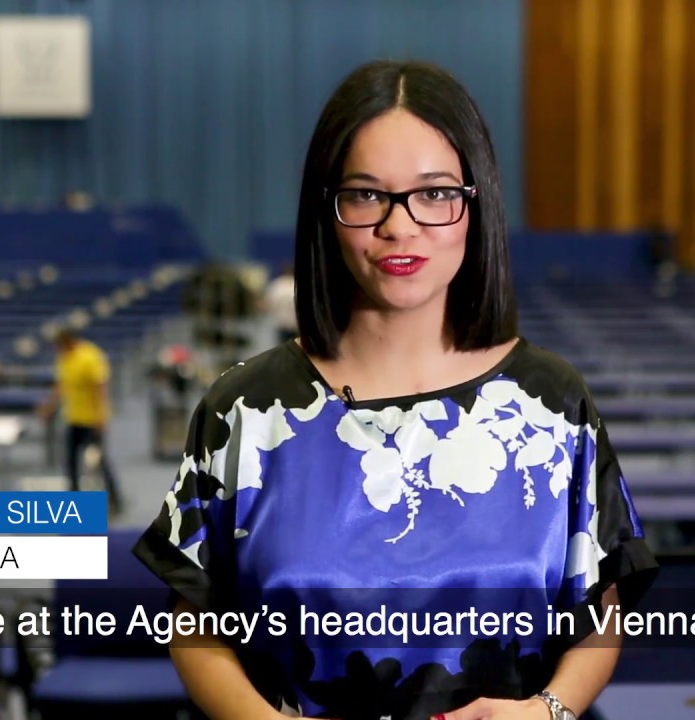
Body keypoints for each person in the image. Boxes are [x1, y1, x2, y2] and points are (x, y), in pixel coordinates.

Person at [132, 60, 657, 720]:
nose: (399, 227)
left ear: (477, 203)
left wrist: (546, 709)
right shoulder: (244, 411)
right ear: (327, 210)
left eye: (434, 194)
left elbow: (598, 617)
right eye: (366, 195)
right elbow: (195, 622)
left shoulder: (554, 405)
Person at [37, 328, 123, 514]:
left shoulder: (90, 356)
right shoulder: (63, 358)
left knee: (99, 462)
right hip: (73, 418)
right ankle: (74, 499)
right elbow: (61, 385)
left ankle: (115, 500)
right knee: (70, 461)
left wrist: (101, 416)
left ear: (69, 341)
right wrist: (49, 406)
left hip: (92, 420)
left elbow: (100, 388)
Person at [262, 262, 297, 344]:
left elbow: (267, 304)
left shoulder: (277, 285)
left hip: (281, 323)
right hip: (294, 324)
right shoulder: (297, 284)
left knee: (283, 347)